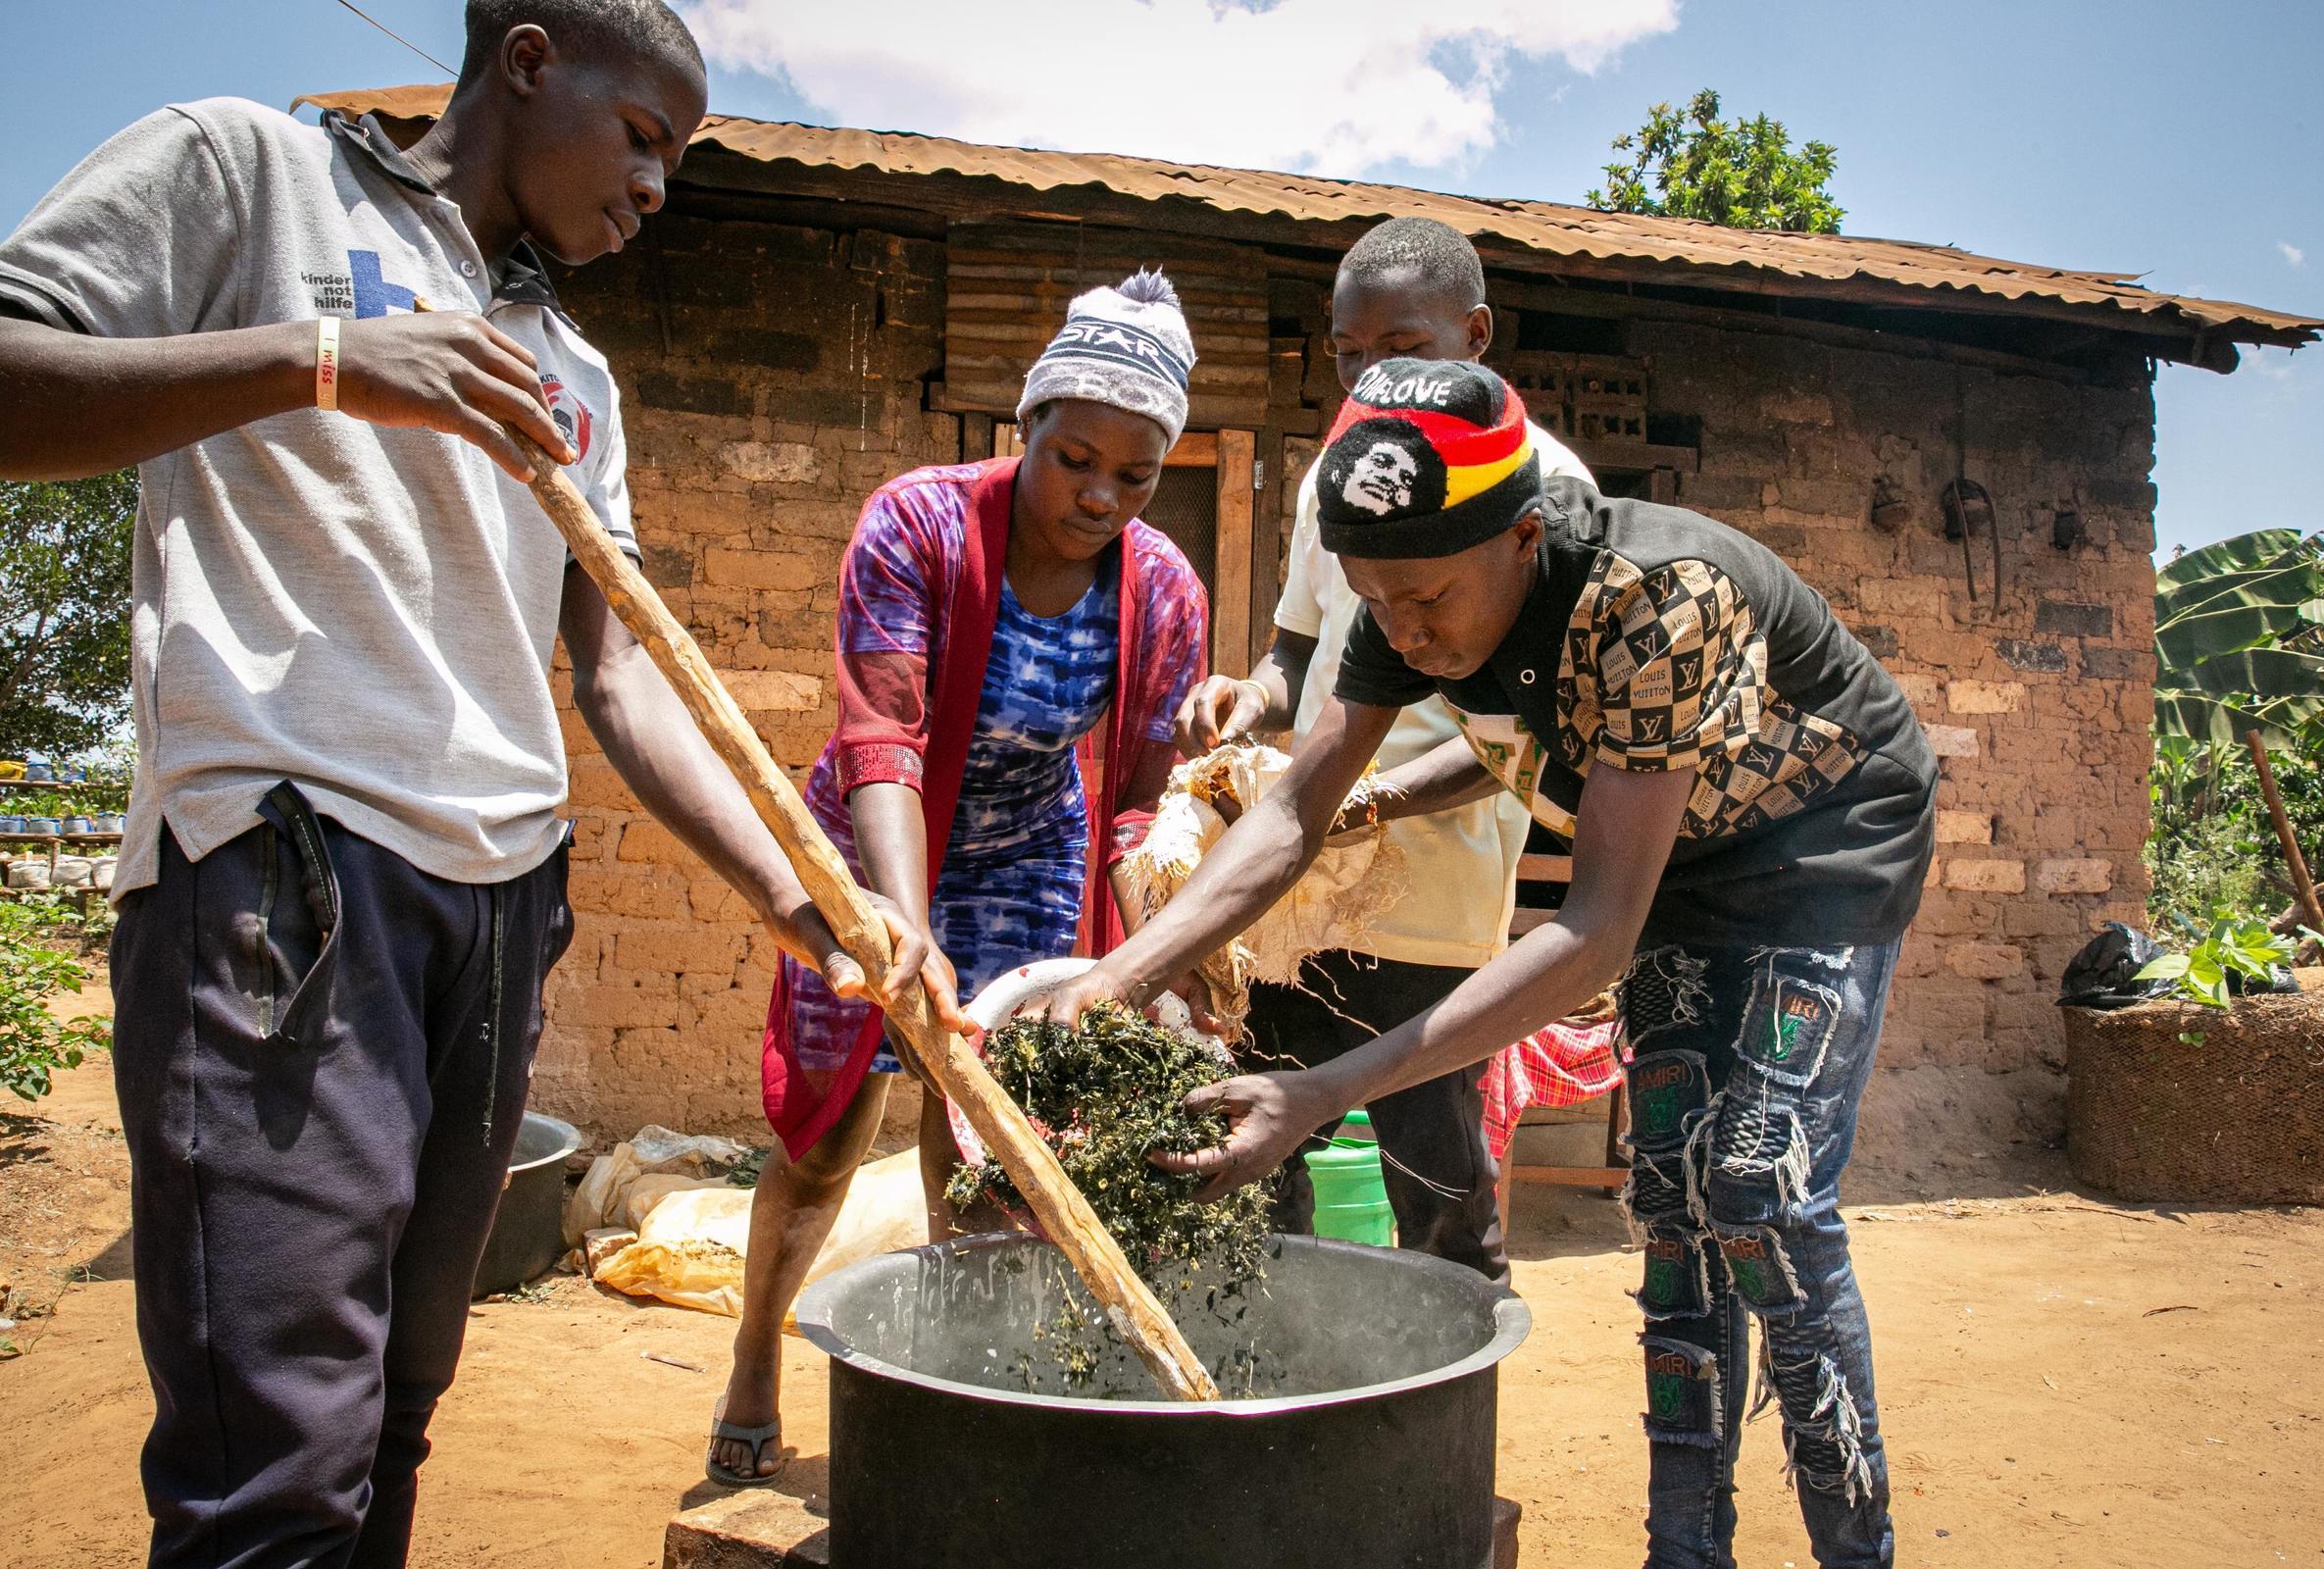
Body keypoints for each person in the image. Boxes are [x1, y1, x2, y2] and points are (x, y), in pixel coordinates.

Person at [0, 6, 935, 1564]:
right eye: (643, 138)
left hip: (498, 909)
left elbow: (623, 676)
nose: (656, 191)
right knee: (274, 1456)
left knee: (394, 1420)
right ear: (524, 61)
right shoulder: (251, 174)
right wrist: (321, 360)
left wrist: (796, 899)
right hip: (279, 879)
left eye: (677, 164)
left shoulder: (573, 372)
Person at [1047, 359, 1934, 1568]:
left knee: (1759, 1189)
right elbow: (1297, 809)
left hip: (1826, 840)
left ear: (1522, 538)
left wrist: (1321, 1090)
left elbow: (1594, 928)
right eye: (1376, 601)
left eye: (1425, 601)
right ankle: (1688, 1547)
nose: (1403, 632)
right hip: (1675, 853)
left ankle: (1856, 1548)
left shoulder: (1658, 598)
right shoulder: (1408, 593)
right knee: (1671, 1202)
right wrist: (1119, 975)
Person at [706, 270, 1211, 1485]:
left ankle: (956, 1395)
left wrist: (1161, 958)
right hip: (877, 834)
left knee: (985, 1139)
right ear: (1026, 425)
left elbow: (1140, 803)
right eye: (1075, 456)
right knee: (829, 1140)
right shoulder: (917, 523)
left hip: (1034, 848)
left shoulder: (1164, 592)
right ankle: (754, 1363)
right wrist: (901, 924)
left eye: (1134, 477)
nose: (1100, 494)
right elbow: (882, 732)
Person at [1170, 216, 1592, 1281]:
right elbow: (1298, 655)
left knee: (1438, 1185)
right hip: (1298, 897)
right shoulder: (1337, 477)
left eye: (1400, 346)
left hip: (1432, 909)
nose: (1369, 373)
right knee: (1259, 1160)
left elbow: (1520, 743)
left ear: (1477, 334)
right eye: (1349, 352)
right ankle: (1289, 1374)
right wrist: (1247, 701)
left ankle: (1442, 1410)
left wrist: (1362, 805)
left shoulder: (1543, 489)